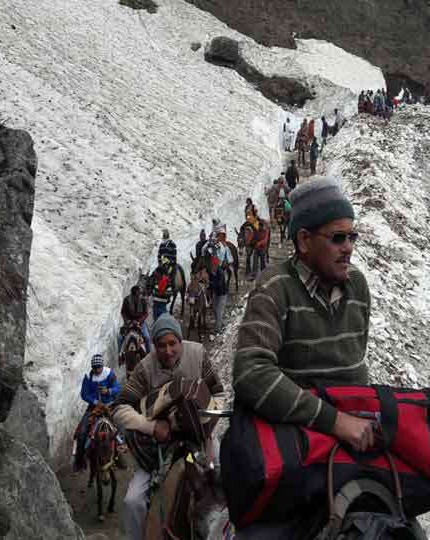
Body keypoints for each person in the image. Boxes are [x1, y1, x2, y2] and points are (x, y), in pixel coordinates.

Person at [232, 177, 372, 537]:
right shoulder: (273, 289)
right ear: (304, 240)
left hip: (352, 447)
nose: (348, 249)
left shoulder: (358, 288)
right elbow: (251, 373)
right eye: (337, 238)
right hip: (293, 452)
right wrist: (334, 421)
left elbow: (355, 370)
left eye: (352, 237)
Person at [112, 315, 223, 540]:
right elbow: (119, 408)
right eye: (161, 345)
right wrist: (152, 427)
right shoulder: (145, 368)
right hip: (159, 445)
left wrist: (207, 421)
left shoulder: (198, 354)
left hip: (199, 434)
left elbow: (218, 392)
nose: (168, 350)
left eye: (173, 343)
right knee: (133, 501)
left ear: (181, 341)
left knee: (223, 474)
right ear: (154, 346)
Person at [73, 354, 120, 472]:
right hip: (94, 407)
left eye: (99, 367)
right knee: (82, 431)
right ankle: (79, 462)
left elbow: (117, 388)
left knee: (120, 426)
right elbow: (84, 394)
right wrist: (94, 401)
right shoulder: (88, 377)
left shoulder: (110, 374)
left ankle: (120, 456)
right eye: (95, 368)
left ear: (102, 366)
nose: (97, 370)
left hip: (109, 405)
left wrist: (108, 391)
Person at [207, 224, 233, 334]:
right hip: (215, 283)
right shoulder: (212, 249)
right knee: (215, 308)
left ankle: (217, 329)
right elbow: (205, 251)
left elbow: (230, 260)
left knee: (219, 308)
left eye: (222, 236)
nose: (220, 238)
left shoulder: (226, 248)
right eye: (219, 236)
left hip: (221, 283)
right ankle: (221, 324)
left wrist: (224, 264)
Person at [119, 285, 150, 353]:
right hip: (129, 322)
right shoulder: (126, 300)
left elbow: (146, 313)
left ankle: (148, 354)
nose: (139, 296)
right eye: (138, 294)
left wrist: (139, 321)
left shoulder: (143, 300)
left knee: (147, 337)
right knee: (120, 338)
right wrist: (127, 321)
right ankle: (119, 357)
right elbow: (123, 312)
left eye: (139, 294)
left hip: (140, 323)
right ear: (133, 295)